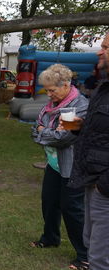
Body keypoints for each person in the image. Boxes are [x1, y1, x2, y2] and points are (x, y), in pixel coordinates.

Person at [30, 64, 88, 270]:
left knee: (72, 209)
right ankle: (50, 238)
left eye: (52, 90)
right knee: (49, 202)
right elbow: (34, 128)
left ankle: (85, 254)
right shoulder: (49, 106)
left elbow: (64, 138)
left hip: (72, 166)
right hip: (53, 165)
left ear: (65, 85)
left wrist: (42, 131)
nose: (49, 94)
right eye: (47, 90)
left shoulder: (78, 105)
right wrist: (45, 131)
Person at [67, 32, 109, 270]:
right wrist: (79, 128)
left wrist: (104, 184)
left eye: (105, 47)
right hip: (92, 179)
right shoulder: (103, 88)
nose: (99, 51)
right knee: (93, 246)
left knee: (101, 258)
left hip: (104, 186)